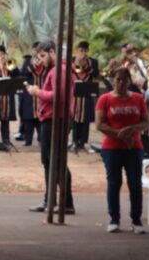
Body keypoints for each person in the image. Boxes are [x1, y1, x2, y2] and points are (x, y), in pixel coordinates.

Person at [95, 66, 149, 234]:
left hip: (134, 148)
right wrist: (120, 134)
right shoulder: (104, 99)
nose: (120, 83)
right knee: (114, 183)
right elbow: (99, 124)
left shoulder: (139, 99)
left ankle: (136, 219)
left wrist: (132, 130)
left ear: (129, 81)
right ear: (112, 81)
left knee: (135, 183)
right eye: (117, 79)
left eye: (124, 79)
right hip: (112, 148)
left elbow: (146, 122)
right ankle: (114, 219)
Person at [26, 40, 75, 214]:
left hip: (55, 120)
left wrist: (36, 92)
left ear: (52, 52)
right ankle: (59, 202)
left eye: (43, 56)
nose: (42, 60)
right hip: (57, 119)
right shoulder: (61, 69)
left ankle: (57, 202)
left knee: (53, 162)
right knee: (54, 162)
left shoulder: (58, 71)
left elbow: (58, 96)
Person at [71, 41, 100, 152]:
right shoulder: (72, 60)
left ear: (87, 51)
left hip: (87, 91)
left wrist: (86, 66)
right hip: (75, 91)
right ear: (77, 50)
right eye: (80, 50)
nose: (82, 52)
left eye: (84, 50)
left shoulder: (93, 61)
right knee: (75, 117)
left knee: (85, 118)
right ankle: (74, 141)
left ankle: (83, 142)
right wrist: (78, 63)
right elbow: (73, 72)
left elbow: (95, 74)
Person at [19, 43, 46, 146]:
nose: (37, 52)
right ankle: (28, 140)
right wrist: (33, 64)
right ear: (33, 50)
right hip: (29, 93)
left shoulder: (45, 61)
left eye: (39, 50)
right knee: (28, 118)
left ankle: (41, 140)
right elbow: (24, 73)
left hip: (41, 92)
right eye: (36, 50)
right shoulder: (27, 60)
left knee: (41, 117)